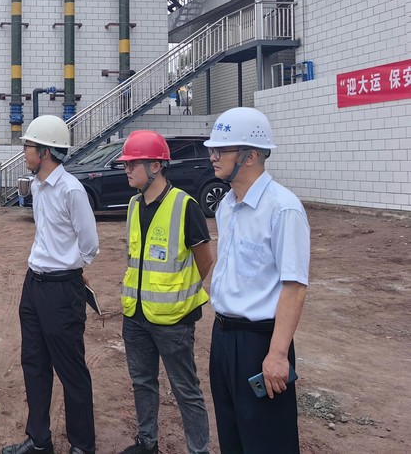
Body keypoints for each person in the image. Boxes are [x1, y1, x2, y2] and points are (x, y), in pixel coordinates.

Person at [204, 107, 310, 454]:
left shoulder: (283, 208)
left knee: (267, 442)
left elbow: (294, 287)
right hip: (223, 338)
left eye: (221, 149)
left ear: (249, 156)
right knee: (232, 437)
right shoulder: (226, 206)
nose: (212, 156)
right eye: (212, 149)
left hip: (260, 344)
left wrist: (277, 354)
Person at [1, 115, 99, 454]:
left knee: (70, 369)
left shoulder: (71, 190)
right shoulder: (38, 186)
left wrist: (71, 268)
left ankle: (82, 445)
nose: (24, 152)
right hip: (34, 285)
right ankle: (39, 440)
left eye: (28, 146)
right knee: (34, 363)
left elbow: (90, 244)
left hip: (61, 289)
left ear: (44, 151)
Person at [117, 130, 213, 454]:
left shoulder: (185, 206)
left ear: (156, 166)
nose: (127, 169)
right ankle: (147, 443)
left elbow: (204, 260)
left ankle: (198, 450)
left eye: (133, 164)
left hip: (173, 320)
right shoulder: (133, 205)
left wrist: (179, 295)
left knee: (185, 389)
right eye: (126, 164)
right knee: (142, 383)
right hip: (135, 314)